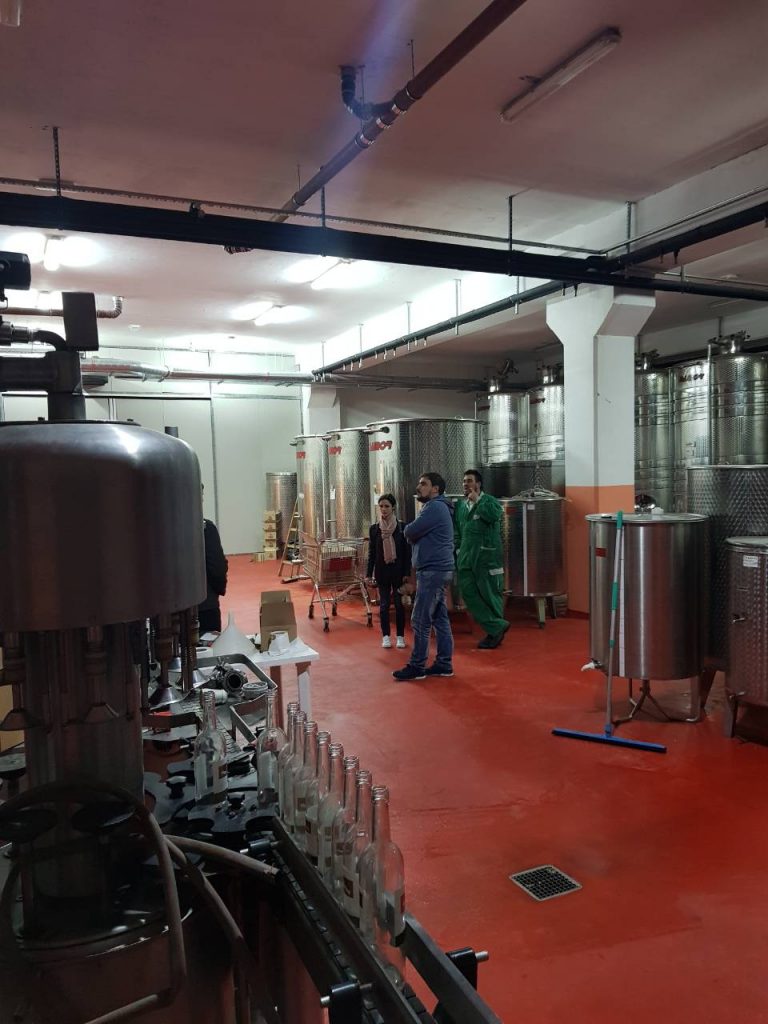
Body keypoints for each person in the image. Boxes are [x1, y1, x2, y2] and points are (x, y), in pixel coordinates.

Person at [393, 472, 455, 681]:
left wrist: (413, 534)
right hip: (438, 569)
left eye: (423, 484)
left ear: (435, 489)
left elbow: (409, 531)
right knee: (439, 618)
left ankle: (417, 666)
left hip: (432, 571)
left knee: (420, 619)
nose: (418, 487)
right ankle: (444, 664)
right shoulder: (438, 507)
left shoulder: (434, 507)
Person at [455, 469, 509, 650]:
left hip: (486, 558)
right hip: (466, 558)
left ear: (478, 484)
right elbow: (458, 530)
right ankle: (497, 626)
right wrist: (458, 549)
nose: (465, 484)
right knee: (468, 592)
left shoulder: (489, 501)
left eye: (469, 480)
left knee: (490, 595)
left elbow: (494, 515)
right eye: (464, 481)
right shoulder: (461, 506)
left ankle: (494, 633)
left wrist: (477, 500)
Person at [366, 493, 411, 649]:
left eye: (387, 506)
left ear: (393, 508)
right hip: (382, 572)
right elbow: (372, 553)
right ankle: (385, 636)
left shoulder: (402, 527)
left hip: (398, 573)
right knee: (384, 605)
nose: (383, 509)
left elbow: (407, 553)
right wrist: (368, 574)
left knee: (399, 605)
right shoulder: (374, 529)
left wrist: (406, 573)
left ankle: (400, 636)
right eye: (381, 506)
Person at [199, 514, 228, 634]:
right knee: (208, 642)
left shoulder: (160, 528)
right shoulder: (206, 528)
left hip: (167, 613)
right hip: (205, 605)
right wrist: (219, 588)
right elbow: (216, 566)